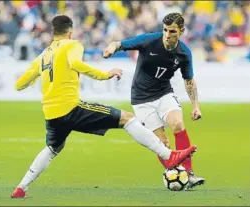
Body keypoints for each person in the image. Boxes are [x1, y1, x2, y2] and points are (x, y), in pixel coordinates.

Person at [11, 15, 197, 198]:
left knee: (53, 148)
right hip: (71, 108)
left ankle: (21, 187)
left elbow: (19, 84)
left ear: (53, 32)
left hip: (51, 114)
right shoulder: (73, 45)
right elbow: (75, 63)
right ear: (70, 32)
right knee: (127, 118)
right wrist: (104, 75)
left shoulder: (44, 55)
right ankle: (168, 155)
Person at [103, 12, 205, 189]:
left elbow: (189, 80)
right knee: (162, 144)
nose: (167, 35)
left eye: (172, 31)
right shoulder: (149, 40)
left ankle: (188, 174)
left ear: (181, 31)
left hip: (164, 93)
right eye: (165, 30)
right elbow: (119, 44)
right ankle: (176, 174)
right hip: (141, 99)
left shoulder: (184, 53)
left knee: (177, 124)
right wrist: (111, 48)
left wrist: (195, 106)